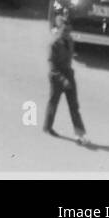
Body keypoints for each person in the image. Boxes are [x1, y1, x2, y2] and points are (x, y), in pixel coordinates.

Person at [44, 17, 87, 145]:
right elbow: (52, 68)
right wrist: (63, 80)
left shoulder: (70, 41)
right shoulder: (54, 45)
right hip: (57, 77)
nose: (66, 34)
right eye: (64, 31)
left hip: (69, 74)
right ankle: (48, 127)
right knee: (53, 103)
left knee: (74, 106)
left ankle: (80, 134)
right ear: (59, 30)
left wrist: (68, 78)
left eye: (68, 31)